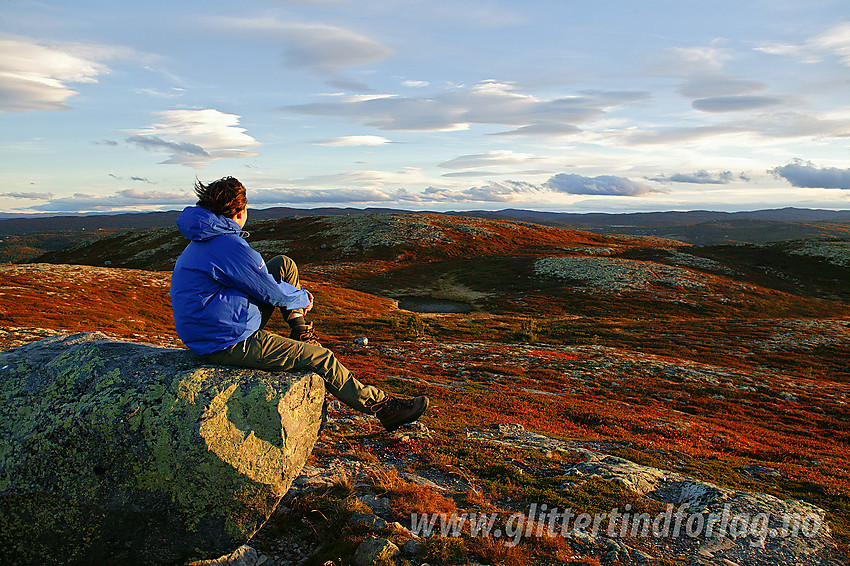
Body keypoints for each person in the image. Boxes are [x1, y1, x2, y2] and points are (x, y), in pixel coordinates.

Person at [170, 176, 429, 431]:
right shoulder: (228, 245)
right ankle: (384, 408)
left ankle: (300, 330)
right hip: (227, 340)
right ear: (239, 211)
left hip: (211, 329)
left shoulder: (205, 240)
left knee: (283, 265)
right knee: (322, 358)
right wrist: (303, 297)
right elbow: (271, 292)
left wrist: (293, 296)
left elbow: (264, 282)